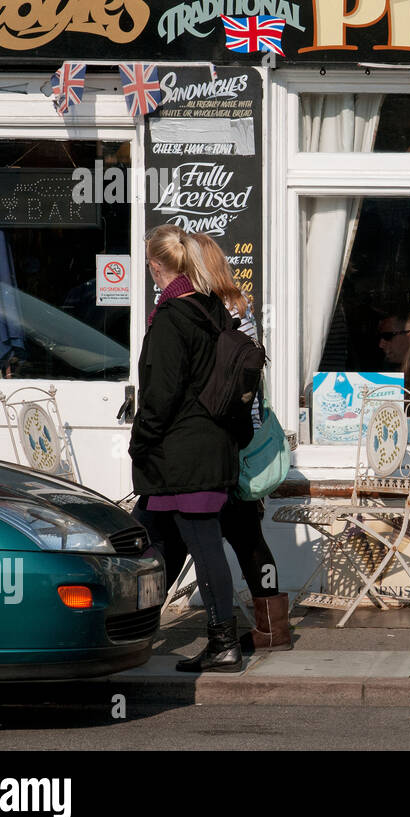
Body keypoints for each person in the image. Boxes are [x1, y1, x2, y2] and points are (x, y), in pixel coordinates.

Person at [129, 225, 251, 673]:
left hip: (181, 456)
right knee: (148, 541)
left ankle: (223, 642)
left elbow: (160, 396)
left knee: (200, 544)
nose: (150, 274)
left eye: (149, 266)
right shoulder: (210, 309)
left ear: (157, 266)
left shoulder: (172, 318)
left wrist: (138, 442)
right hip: (205, 450)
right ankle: (133, 628)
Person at [186, 233, 293, 652]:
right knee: (249, 538)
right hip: (244, 436)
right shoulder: (241, 307)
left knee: (204, 538)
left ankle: (222, 632)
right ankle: (273, 627)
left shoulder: (216, 311)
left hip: (224, 440)